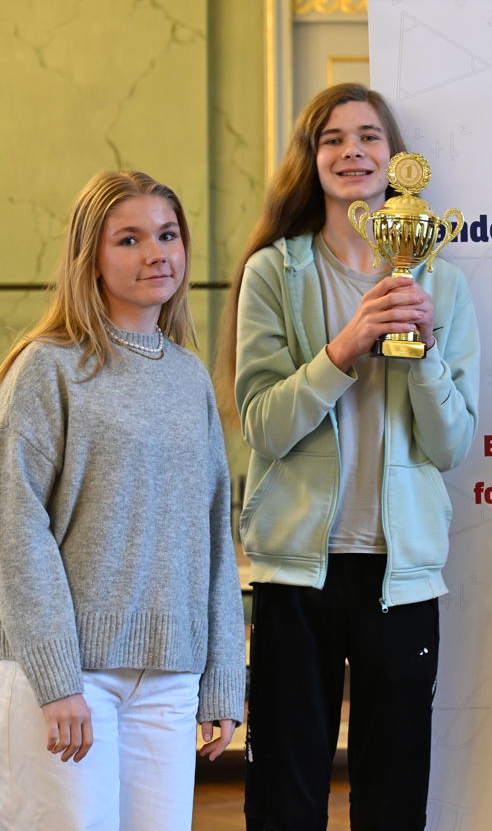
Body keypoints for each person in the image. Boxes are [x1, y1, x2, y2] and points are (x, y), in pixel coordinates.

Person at [216, 83, 479, 830]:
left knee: (393, 800)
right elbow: (264, 426)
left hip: (402, 573)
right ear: (311, 158)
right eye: (331, 138)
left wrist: (422, 357)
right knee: (286, 798)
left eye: (368, 136)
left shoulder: (442, 282)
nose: (351, 151)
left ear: (396, 159)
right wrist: (344, 348)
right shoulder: (275, 271)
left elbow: (451, 446)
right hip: (297, 570)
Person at [0, 170, 245, 830]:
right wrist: (57, 680)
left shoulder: (189, 377)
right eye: (129, 239)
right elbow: (16, 530)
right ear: (91, 258)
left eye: (167, 235)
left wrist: (222, 679)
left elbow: (212, 535)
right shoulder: (48, 367)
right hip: (70, 675)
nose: (156, 253)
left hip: (169, 678)